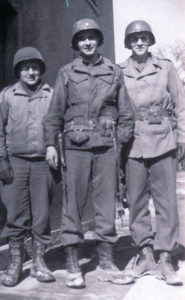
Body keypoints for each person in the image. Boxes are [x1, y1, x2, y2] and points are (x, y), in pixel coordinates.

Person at [44, 18, 135, 288]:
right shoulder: (66, 72)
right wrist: (50, 144)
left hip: (106, 147)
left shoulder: (113, 71)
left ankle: (106, 263)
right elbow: (54, 114)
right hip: (74, 147)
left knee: (107, 204)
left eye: (92, 37)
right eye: (82, 38)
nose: (87, 42)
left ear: (98, 41)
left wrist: (118, 140)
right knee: (72, 204)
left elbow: (126, 114)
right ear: (76, 44)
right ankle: (73, 264)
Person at [119, 20, 185, 285]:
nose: (139, 42)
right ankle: (145, 254)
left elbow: (180, 105)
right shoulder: (119, 70)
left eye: (144, 38)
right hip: (133, 144)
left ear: (150, 41)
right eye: (134, 39)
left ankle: (165, 256)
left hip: (163, 141)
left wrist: (182, 137)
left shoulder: (165, 67)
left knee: (166, 201)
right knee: (135, 202)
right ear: (128, 43)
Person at [0, 47, 57, 287]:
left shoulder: (51, 94)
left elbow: (57, 126)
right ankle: (15, 265)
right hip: (14, 164)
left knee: (41, 215)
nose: (31, 72)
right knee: (15, 215)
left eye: (35, 67)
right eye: (25, 68)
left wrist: (55, 152)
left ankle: (39, 264)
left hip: (43, 165)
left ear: (41, 70)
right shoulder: (7, 96)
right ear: (18, 71)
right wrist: (0, 159)